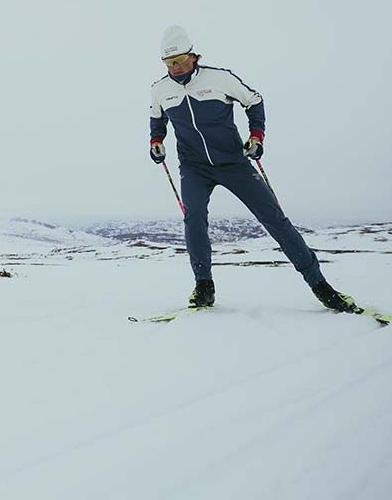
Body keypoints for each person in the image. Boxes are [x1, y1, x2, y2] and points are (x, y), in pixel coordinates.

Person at [149, 24, 355, 311]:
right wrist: (156, 141)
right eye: (169, 63)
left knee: (274, 218)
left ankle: (320, 285)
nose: (176, 67)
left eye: (181, 60)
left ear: (194, 56)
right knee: (193, 218)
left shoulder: (220, 79)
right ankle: (203, 286)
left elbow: (254, 101)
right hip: (194, 167)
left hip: (233, 162)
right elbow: (157, 120)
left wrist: (256, 137)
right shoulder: (160, 90)